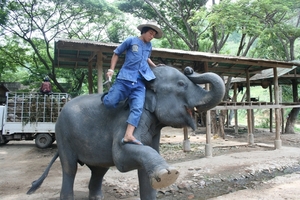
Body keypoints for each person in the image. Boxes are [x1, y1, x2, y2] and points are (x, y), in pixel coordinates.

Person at [102, 21, 163, 145]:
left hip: (140, 82)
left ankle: (128, 135)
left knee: (138, 108)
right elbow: (116, 53)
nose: (152, 36)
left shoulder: (149, 45)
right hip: (125, 78)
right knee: (110, 103)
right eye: (150, 33)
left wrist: (155, 66)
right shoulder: (131, 40)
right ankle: (108, 97)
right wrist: (111, 70)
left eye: (154, 35)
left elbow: (146, 58)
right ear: (144, 31)